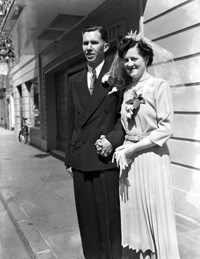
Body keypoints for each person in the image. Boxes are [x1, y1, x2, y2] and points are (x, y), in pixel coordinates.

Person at [107, 31, 180, 259]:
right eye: (126, 60)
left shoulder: (160, 86)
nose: (129, 64)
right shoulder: (127, 90)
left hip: (151, 158)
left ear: (146, 59)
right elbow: (127, 127)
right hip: (130, 163)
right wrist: (124, 146)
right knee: (135, 214)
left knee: (155, 212)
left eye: (134, 59)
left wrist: (133, 147)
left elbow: (166, 128)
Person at [65, 25, 125, 259]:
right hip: (80, 160)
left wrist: (112, 140)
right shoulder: (74, 80)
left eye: (94, 43)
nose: (88, 47)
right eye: (85, 43)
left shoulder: (117, 76)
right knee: (87, 224)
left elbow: (124, 117)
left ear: (105, 46)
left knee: (109, 221)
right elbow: (71, 121)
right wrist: (70, 160)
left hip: (104, 159)